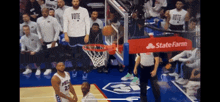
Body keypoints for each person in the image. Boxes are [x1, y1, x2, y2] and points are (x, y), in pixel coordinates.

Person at [63, 0, 90, 78]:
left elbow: (87, 23)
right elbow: (65, 22)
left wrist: (87, 34)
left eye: (77, 1)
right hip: (71, 36)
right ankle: (74, 68)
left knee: (84, 54)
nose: (75, 3)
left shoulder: (84, 10)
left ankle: (85, 70)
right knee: (73, 54)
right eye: (74, 1)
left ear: (79, 2)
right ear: (72, 2)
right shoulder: (67, 11)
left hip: (82, 35)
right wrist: (66, 34)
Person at [36, 8, 60, 75]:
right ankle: (48, 68)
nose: (44, 13)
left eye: (45, 12)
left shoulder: (53, 19)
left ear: (48, 12)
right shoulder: (38, 20)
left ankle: (59, 69)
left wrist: (54, 40)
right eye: (43, 12)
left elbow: (57, 30)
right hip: (44, 41)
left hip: (53, 41)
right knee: (46, 55)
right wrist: (40, 38)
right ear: (41, 12)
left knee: (56, 55)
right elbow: (38, 30)